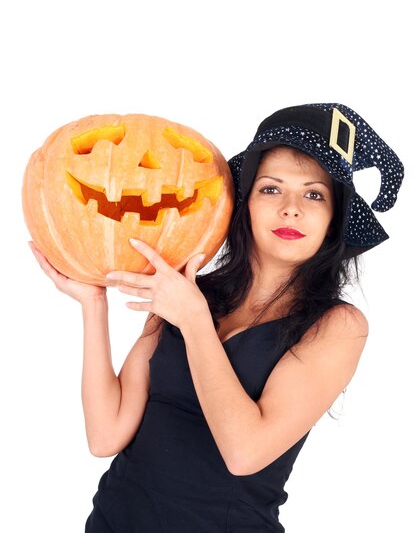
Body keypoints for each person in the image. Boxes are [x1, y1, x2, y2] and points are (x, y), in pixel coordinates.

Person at [30, 103, 404, 532]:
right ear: (244, 203)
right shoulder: (187, 293)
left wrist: (193, 323)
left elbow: (245, 453)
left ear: (333, 219)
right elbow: (105, 435)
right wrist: (92, 303)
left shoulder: (338, 326)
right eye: (271, 188)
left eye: (314, 194)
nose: (291, 208)